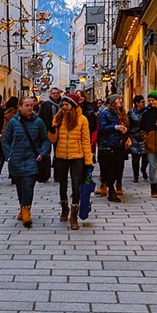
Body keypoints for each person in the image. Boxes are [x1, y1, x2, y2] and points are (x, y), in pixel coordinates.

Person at [0, 95, 50, 228]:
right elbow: (5, 140)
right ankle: (22, 207)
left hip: (32, 159)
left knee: (28, 185)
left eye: (31, 106)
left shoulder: (38, 122)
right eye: (27, 106)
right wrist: (9, 155)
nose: (30, 108)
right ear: (20, 107)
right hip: (16, 159)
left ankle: (27, 210)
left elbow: (45, 140)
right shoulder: (13, 122)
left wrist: (42, 153)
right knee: (20, 187)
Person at [49, 94, 94, 230]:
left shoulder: (82, 120)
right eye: (63, 105)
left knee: (76, 185)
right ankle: (65, 208)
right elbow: (53, 140)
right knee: (62, 184)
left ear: (73, 105)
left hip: (77, 157)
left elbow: (86, 141)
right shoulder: (58, 118)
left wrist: (88, 161)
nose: (64, 107)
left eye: (67, 105)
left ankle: (74, 216)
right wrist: (52, 130)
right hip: (61, 156)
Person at [96, 94, 129, 203]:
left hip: (120, 144)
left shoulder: (123, 113)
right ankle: (111, 190)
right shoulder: (106, 113)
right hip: (109, 144)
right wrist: (116, 127)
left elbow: (127, 126)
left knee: (118, 168)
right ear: (113, 101)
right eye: (118, 99)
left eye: (121, 99)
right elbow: (102, 128)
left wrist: (126, 133)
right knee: (109, 168)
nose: (121, 100)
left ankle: (114, 187)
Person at [35, 87, 63, 183]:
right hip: (47, 131)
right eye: (53, 93)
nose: (55, 95)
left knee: (58, 154)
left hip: (59, 132)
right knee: (46, 154)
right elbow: (41, 118)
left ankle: (58, 176)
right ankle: (45, 175)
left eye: (57, 93)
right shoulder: (46, 104)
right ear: (50, 94)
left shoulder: (63, 104)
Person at [127, 95, 147, 183]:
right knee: (135, 158)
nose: (144, 103)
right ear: (137, 103)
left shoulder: (146, 111)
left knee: (145, 157)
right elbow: (128, 124)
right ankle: (136, 176)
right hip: (134, 137)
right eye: (142, 102)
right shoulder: (131, 112)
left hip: (144, 137)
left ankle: (143, 169)